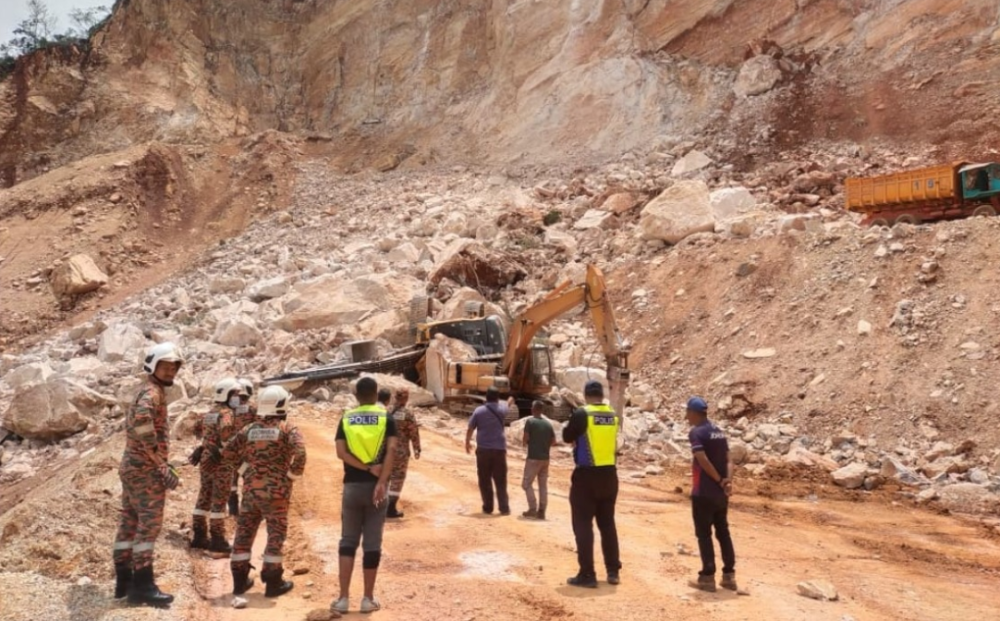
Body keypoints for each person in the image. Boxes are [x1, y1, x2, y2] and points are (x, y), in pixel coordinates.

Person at [112, 342, 184, 607]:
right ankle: (143, 585)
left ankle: (124, 581)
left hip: (132, 467)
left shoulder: (147, 390)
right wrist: (159, 462)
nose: (170, 371)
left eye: (173, 367)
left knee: (129, 522)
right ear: (152, 366)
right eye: (165, 367)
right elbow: (143, 421)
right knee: (148, 525)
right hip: (145, 471)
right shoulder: (152, 393)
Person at [222, 384, 306, 599]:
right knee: (275, 535)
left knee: (244, 533)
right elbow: (301, 453)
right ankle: (273, 582)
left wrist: (244, 470)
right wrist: (291, 476)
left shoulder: (249, 429)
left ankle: (239, 582)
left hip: (251, 492)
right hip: (277, 494)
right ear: (281, 405)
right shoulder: (287, 429)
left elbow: (228, 451)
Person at [331, 377, 398, 614]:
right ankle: (367, 599)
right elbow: (392, 449)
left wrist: (366, 468)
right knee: (372, 544)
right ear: (376, 394)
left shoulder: (346, 418)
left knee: (348, 541)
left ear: (356, 396)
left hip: (352, 486)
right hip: (376, 489)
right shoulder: (386, 418)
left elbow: (341, 452)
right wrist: (380, 480)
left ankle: (343, 599)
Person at [562, 380, 621, 588]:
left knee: (583, 525)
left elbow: (567, 436)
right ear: (602, 395)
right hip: (610, 475)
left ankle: (587, 574)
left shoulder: (582, 414)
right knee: (607, 524)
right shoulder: (612, 415)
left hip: (586, 476)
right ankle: (613, 571)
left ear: (586, 396)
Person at [685, 396, 737, 593]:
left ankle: (707, 577)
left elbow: (702, 459)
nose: (686, 416)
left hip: (704, 492)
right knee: (723, 532)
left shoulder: (696, 432)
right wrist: (727, 481)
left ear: (693, 413)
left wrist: (718, 479)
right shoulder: (719, 432)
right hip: (721, 494)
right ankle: (729, 576)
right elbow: (729, 459)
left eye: (688, 412)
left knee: (704, 535)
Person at [189, 377, 243, 553]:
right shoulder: (227, 413)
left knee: (204, 495)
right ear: (226, 394)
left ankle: (199, 535)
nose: (237, 398)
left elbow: (197, 429)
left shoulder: (209, 413)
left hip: (206, 458)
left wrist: (205, 447)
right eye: (235, 394)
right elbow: (226, 436)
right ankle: (218, 539)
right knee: (219, 500)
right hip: (221, 460)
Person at [465, 387, 512, 515]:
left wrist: (467, 442)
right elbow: (508, 403)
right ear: (497, 398)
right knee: (501, 480)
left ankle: (488, 507)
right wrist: (510, 398)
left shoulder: (479, 411)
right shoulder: (502, 409)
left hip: (483, 451)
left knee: (484, 479)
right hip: (499, 450)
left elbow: (470, 428)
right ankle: (504, 508)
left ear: (486, 397)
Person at [387, 388, 421, 519]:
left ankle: (379, 506)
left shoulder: (385, 411)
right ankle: (390, 508)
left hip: (384, 452)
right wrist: (417, 448)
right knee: (397, 478)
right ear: (406, 399)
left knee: (384, 477)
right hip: (400, 453)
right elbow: (413, 432)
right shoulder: (407, 414)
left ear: (395, 397)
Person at [228, 378, 258, 517]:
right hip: (247, 452)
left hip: (232, 449)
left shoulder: (230, 407)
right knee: (248, 479)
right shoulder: (253, 408)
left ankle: (233, 511)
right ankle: (246, 511)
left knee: (232, 480)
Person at [521, 400, 555, 520]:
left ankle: (532, 508)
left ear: (533, 409)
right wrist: (544, 445)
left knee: (526, 484)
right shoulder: (548, 424)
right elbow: (553, 441)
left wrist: (528, 443)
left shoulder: (530, 422)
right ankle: (542, 511)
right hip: (545, 458)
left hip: (533, 458)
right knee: (543, 485)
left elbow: (525, 439)